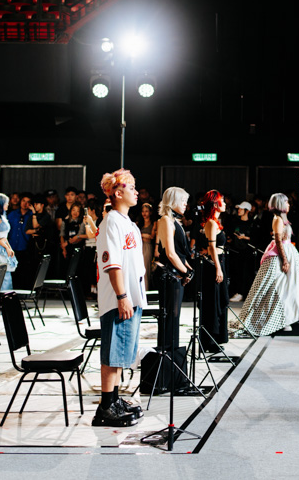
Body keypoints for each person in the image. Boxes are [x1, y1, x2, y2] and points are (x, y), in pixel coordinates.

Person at [93, 168, 145, 427]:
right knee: (113, 352)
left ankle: (113, 400)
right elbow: (112, 264)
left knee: (122, 352)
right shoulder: (111, 221)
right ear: (117, 193)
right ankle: (105, 407)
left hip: (131, 296)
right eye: (131, 187)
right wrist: (122, 296)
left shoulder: (128, 223)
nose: (136, 192)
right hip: (118, 298)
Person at [236, 193, 299, 337]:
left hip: (288, 252)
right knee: (278, 288)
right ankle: (279, 319)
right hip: (281, 255)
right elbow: (278, 241)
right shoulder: (277, 220)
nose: (289, 205)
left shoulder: (282, 219)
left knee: (289, 287)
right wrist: (285, 260)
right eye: (286, 203)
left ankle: (288, 317)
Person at [155, 186, 193, 353]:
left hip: (176, 273)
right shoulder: (165, 220)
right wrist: (186, 272)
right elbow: (170, 253)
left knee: (174, 315)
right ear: (173, 201)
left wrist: (188, 270)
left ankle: (172, 353)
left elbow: (179, 253)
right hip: (169, 274)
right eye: (182, 201)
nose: (185, 204)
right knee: (170, 315)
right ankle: (167, 354)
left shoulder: (176, 221)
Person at [198, 190, 229, 353]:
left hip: (219, 261)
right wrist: (218, 268)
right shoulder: (210, 223)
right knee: (213, 302)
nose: (225, 203)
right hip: (214, 264)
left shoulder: (215, 222)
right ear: (216, 203)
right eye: (222, 200)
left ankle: (217, 338)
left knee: (221, 300)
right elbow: (211, 247)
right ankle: (210, 341)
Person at [0, 193, 17, 306]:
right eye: (6, 203)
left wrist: (9, 247)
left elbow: (5, 236)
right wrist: (6, 247)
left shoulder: (2, 216)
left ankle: (5, 304)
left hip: (4, 246)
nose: (8, 205)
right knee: (0, 277)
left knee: (6, 277)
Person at [138, 203, 156, 288]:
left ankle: (146, 289)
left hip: (147, 246)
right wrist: (144, 235)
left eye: (146, 211)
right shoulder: (139, 223)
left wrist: (141, 235)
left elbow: (151, 236)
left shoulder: (154, 223)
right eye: (143, 211)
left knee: (146, 268)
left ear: (150, 212)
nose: (144, 213)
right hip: (139, 246)